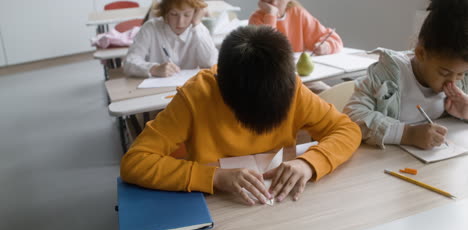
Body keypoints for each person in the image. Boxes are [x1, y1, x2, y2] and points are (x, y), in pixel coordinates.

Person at [120, 26, 361, 205]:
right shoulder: (197, 96)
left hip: (278, 203)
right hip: (213, 203)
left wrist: (308, 162)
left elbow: (347, 130)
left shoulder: (291, 89)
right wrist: (214, 177)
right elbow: (135, 162)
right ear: (222, 90)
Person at [344, 0, 468, 150]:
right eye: (444, 73)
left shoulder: (460, 78)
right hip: (384, 164)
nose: (453, 82)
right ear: (421, 53)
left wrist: (465, 111)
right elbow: (353, 115)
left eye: (461, 74)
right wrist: (408, 134)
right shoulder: (386, 74)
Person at [123, 0, 218, 78]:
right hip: (155, 91)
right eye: (174, 14)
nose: (180, 22)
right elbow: (129, 63)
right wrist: (153, 69)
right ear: (165, 12)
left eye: (187, 15)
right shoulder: (151, 28)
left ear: (195, 13)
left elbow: (211, 63)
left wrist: (196, 24)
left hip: (188, 89)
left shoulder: (199, 30)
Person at [249, 0, 343, 55]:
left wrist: (325, 47)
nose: (274, 1)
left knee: (330, 89)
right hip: (273, 78)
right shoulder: (256, 19)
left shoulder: (298, 14)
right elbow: (268, 52)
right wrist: (271, 14)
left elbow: (333, 38)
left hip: (300, 77)